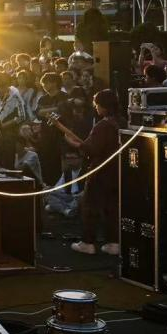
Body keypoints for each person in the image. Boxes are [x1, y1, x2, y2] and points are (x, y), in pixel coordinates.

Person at [49, 88, 122, 256]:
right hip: (117, 171)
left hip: (100, 172)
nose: (96, 108)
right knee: (112, 208)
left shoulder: (103, 125)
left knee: (90, 206)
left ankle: (88, 243)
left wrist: (74, 144)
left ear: (103, 106)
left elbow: (91, 149)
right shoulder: (122, 122)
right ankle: (114, 242)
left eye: (97, 105)